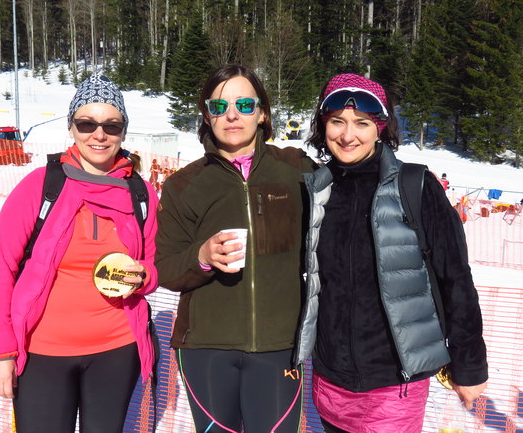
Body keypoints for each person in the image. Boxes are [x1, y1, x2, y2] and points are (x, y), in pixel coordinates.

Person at [296, 73, 488, 432]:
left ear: (380, 128)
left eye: (361, 123)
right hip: (330, 378)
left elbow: (455, 279)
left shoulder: (416, 186)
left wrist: (470, 365)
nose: (347, 135)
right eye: (337, 121)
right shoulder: (317, 191)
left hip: (394, 383)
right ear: (323, 125)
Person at [0, 74, 159, 433]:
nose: (99, 134)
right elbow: (0, 270)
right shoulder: (41, 186)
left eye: (111, 125)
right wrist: (0, 352)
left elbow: (153, 264)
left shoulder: (141, 194)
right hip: (43, 351)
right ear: (71, 127)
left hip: (116, 350)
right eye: (87, 123)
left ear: (123, 131)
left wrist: (144, 277)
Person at [155, 64, 316, 432]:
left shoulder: (295, 170)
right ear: (206, 116)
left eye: (244, 105)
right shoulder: (184, 185)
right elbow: (165, 268)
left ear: (262, 114)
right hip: (206, 349)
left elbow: (351, 189)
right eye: (219, 106)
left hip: (280, 346)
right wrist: (201, 257)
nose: (232, 115)